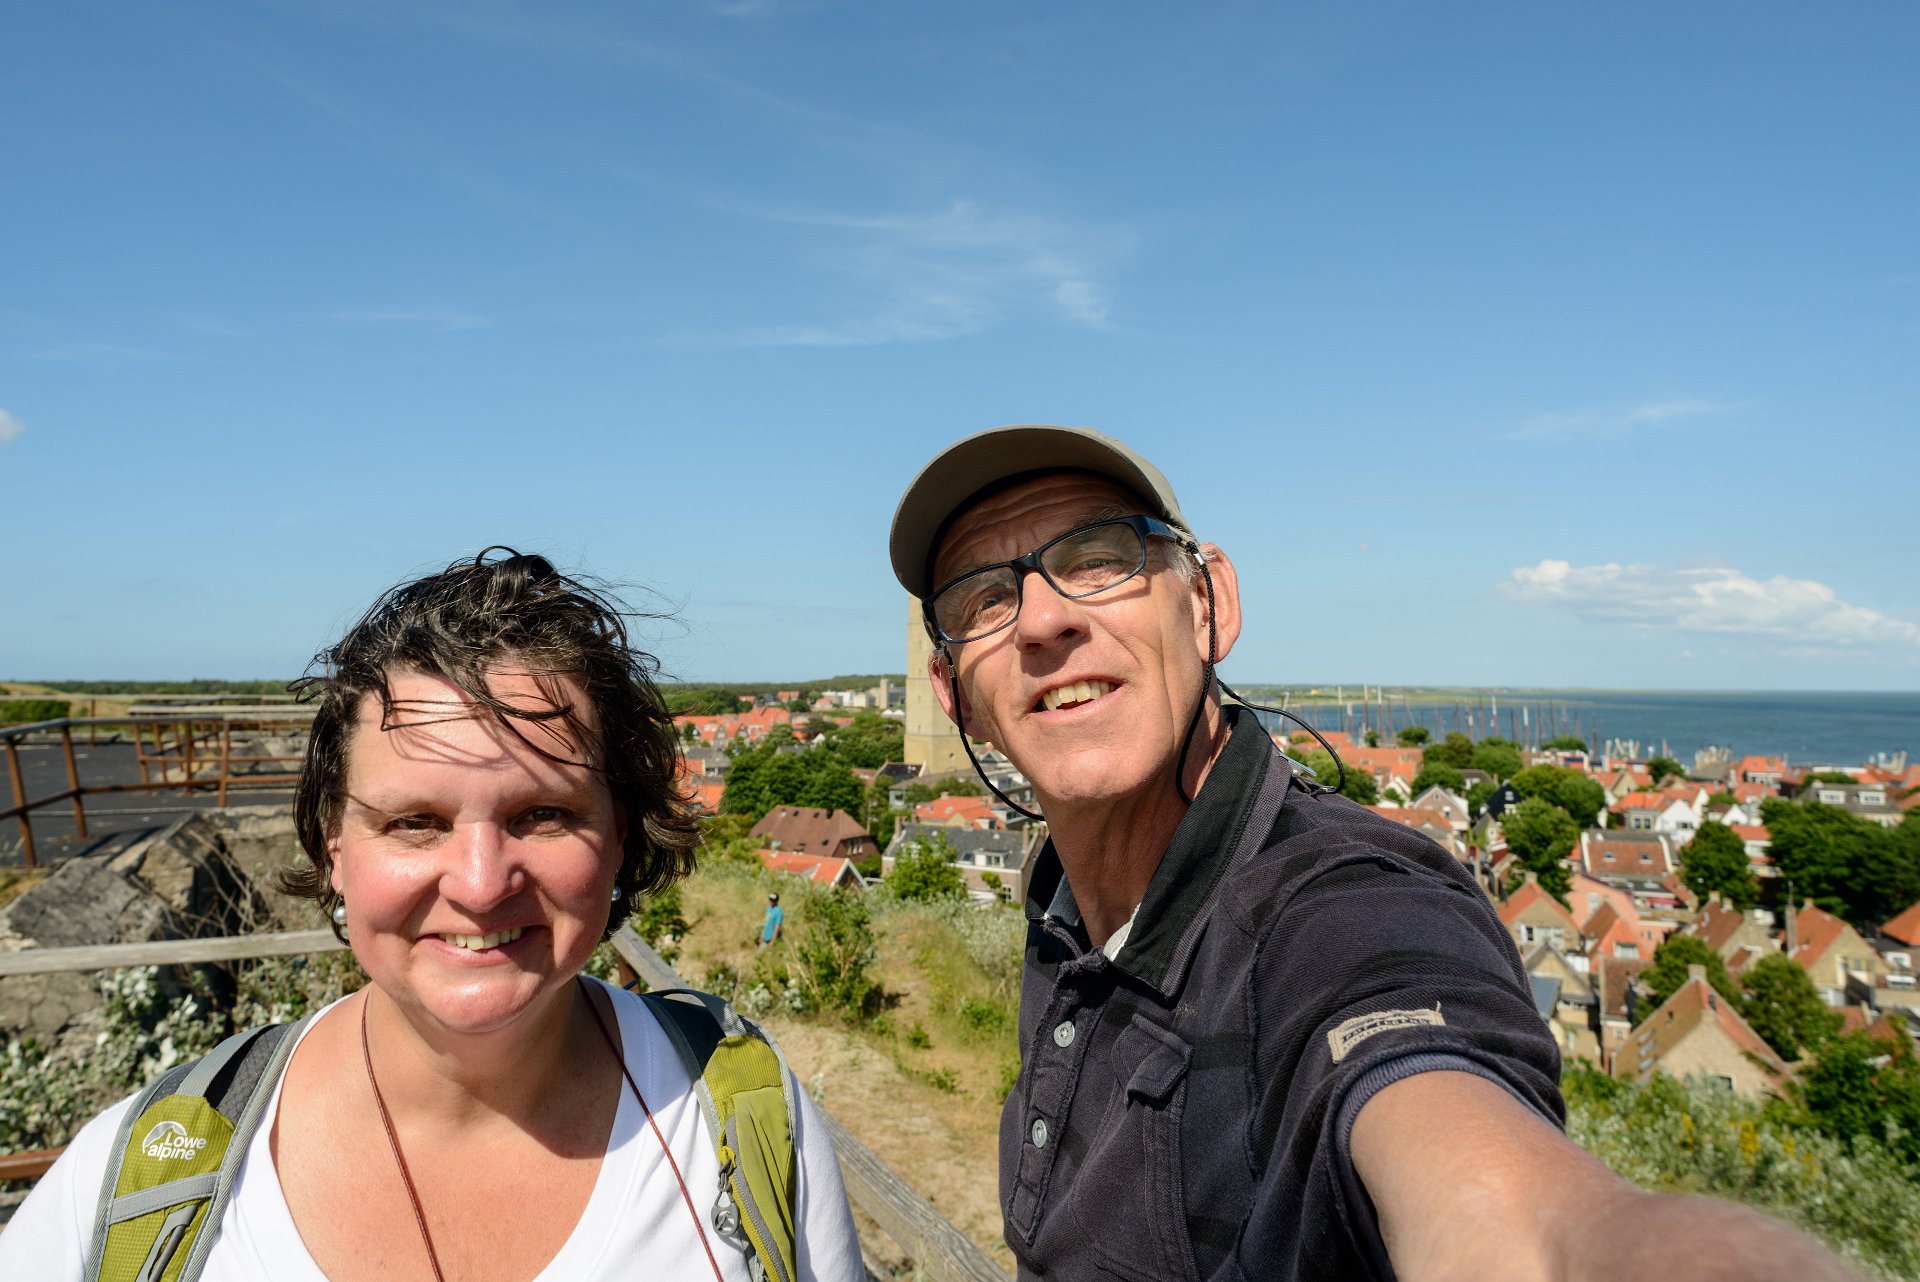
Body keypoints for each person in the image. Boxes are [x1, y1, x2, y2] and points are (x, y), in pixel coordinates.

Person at [888, 425, 1862, 1282]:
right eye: (983, 598)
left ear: (1210, 603)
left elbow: (1475, 1169)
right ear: (953, 690)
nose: (1044, 619)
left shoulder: (1342, 907)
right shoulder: (1060, 904)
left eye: (1101, 557)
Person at [0, 549, 861, 1281]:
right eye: (414, 821)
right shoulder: (132, 1190)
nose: (481, 885)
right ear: (334, 849)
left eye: (543, 814)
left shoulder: (746, 1121)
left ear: (619, 836)